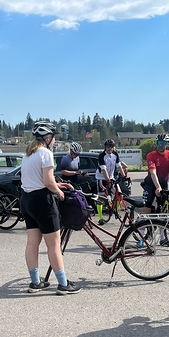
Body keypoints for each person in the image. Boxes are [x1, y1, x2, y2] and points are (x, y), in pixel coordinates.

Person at [20, 121, 81, 295]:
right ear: (48, 138)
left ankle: (35, 282)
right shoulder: (46, 153)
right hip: (42, 201)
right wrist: (58, 192)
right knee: (53, 244)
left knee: (32, 242)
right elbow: (47, 181)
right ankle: (63, 284)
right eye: (53, 138)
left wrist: (56, 184)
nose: (54, 141)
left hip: (27, 199)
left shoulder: (28, 154)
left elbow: (39, 179)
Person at [141, 133, 169, 215]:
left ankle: (164, 226)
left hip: (163, 184)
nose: (160, 145)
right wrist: (158, 187)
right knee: (146, 207)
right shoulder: (151, 155)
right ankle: (141, 227)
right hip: (150, 184)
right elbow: (153, 172)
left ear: (167, 144)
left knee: (165, 209)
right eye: (159, 143)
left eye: (163, 143)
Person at [94, 139, 126, 225]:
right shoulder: (102, 156)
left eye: (111, 147)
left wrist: (125, 177)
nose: (109, 148)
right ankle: (100, 218)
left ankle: (115, 210)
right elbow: (103, 170)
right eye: (107, 147)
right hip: (102, 178)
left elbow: (119, 166)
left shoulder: (115, 154)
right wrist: (108, 180)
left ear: (113, 147)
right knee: (100, 199)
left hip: (111, 177)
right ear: (105, 147)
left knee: (120, 194)